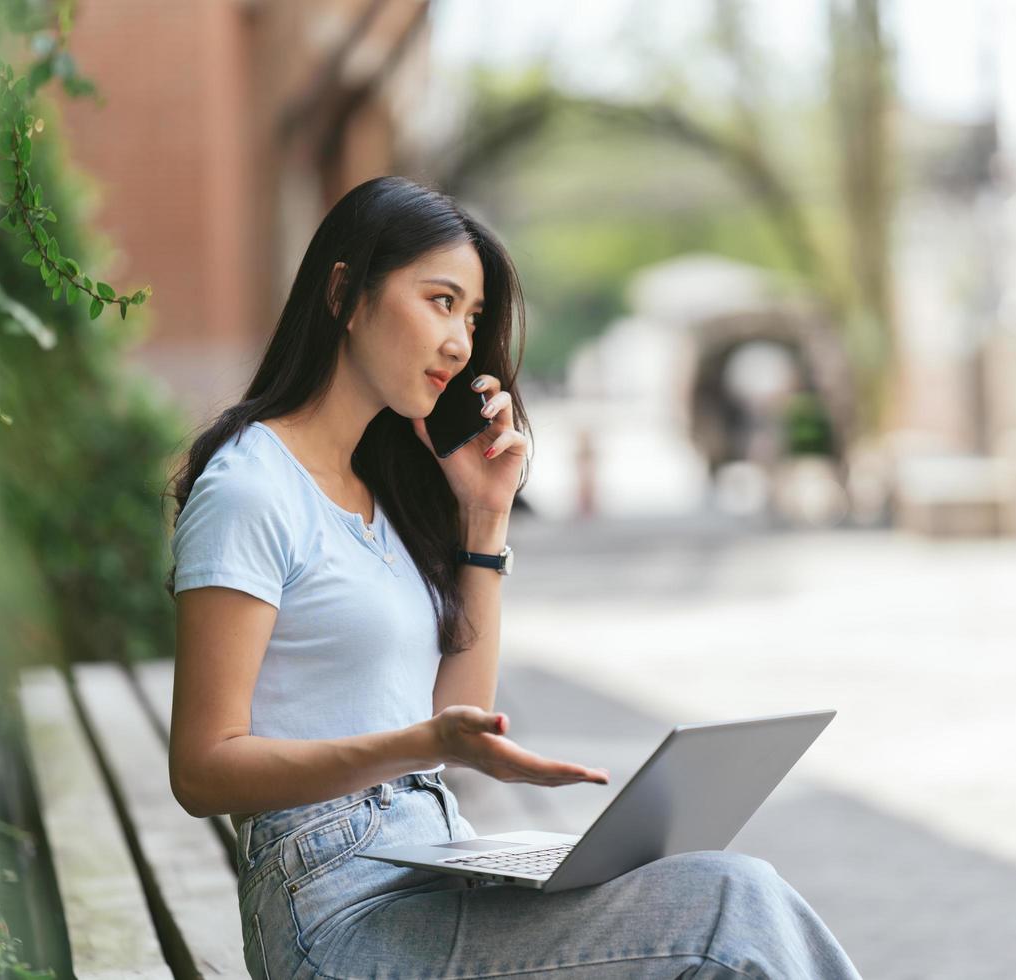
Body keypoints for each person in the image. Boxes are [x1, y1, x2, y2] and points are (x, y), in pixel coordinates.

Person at [165, 176, 862, 979]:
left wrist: (484, 520)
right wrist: (419, 745)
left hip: (428, 866)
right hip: (337, 917)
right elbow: (203, 767)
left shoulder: (377, 491)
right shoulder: (252, 489)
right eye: (439, 301)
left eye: (471, 317)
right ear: (344, 293)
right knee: (728, 904)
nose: (461, 342)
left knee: (725, 891)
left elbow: (459, 718)